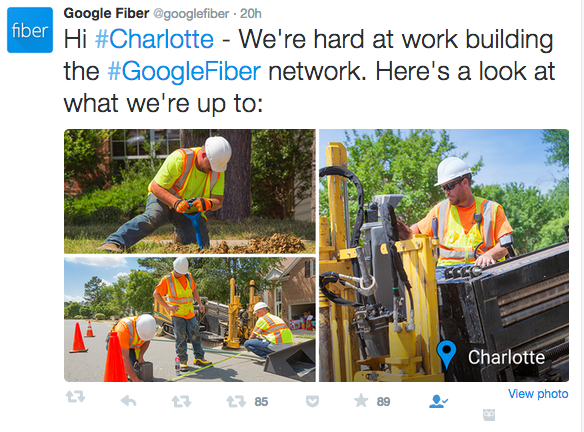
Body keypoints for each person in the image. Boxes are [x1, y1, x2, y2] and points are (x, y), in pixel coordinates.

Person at [98, 136, 232, 252]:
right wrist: (175, 202)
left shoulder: (217, 169)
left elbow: (218, 201)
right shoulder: (180, 158)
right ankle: (114, 242)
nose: (212, 170)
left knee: (201, 248)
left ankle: (180, 234)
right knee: (152, 218)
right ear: (203, 155)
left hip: (188, 209)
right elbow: (156, 188)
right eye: (211, 166)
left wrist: (208, 203)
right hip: (162, 200)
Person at [410, 157, 513, 280]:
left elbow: (505, 245)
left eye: (449, 186)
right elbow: (416, 231)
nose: (446, 192)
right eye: (443, 187)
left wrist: (489, 255)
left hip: (481, 267)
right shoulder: (440, 209)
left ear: (465, 182)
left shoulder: (491, 209)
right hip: (445, 271)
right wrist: (401, 231)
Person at [153, 256, 212, 371]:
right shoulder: (167, 279)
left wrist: (200, 303)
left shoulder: (188, 276)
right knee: (180, 338)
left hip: (190, 312)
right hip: (177, 314)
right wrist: (167, 306)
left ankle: (199, 358)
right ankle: (183, 361)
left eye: (181, 273)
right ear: (173, 267)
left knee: (195, 335)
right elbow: (156, 294)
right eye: (177, 272)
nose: (179, 274)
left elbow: (194, 290)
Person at [107, 314, 156, 382]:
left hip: (131, 346)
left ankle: (127, 373)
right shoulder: (124, 327)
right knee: (122, 367)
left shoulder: (148, 327)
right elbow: (124, 357)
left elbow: (147, 341)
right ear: (137, 328)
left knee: (134, 367)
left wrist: (140, 356)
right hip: (116, 344)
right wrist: (135, 380)